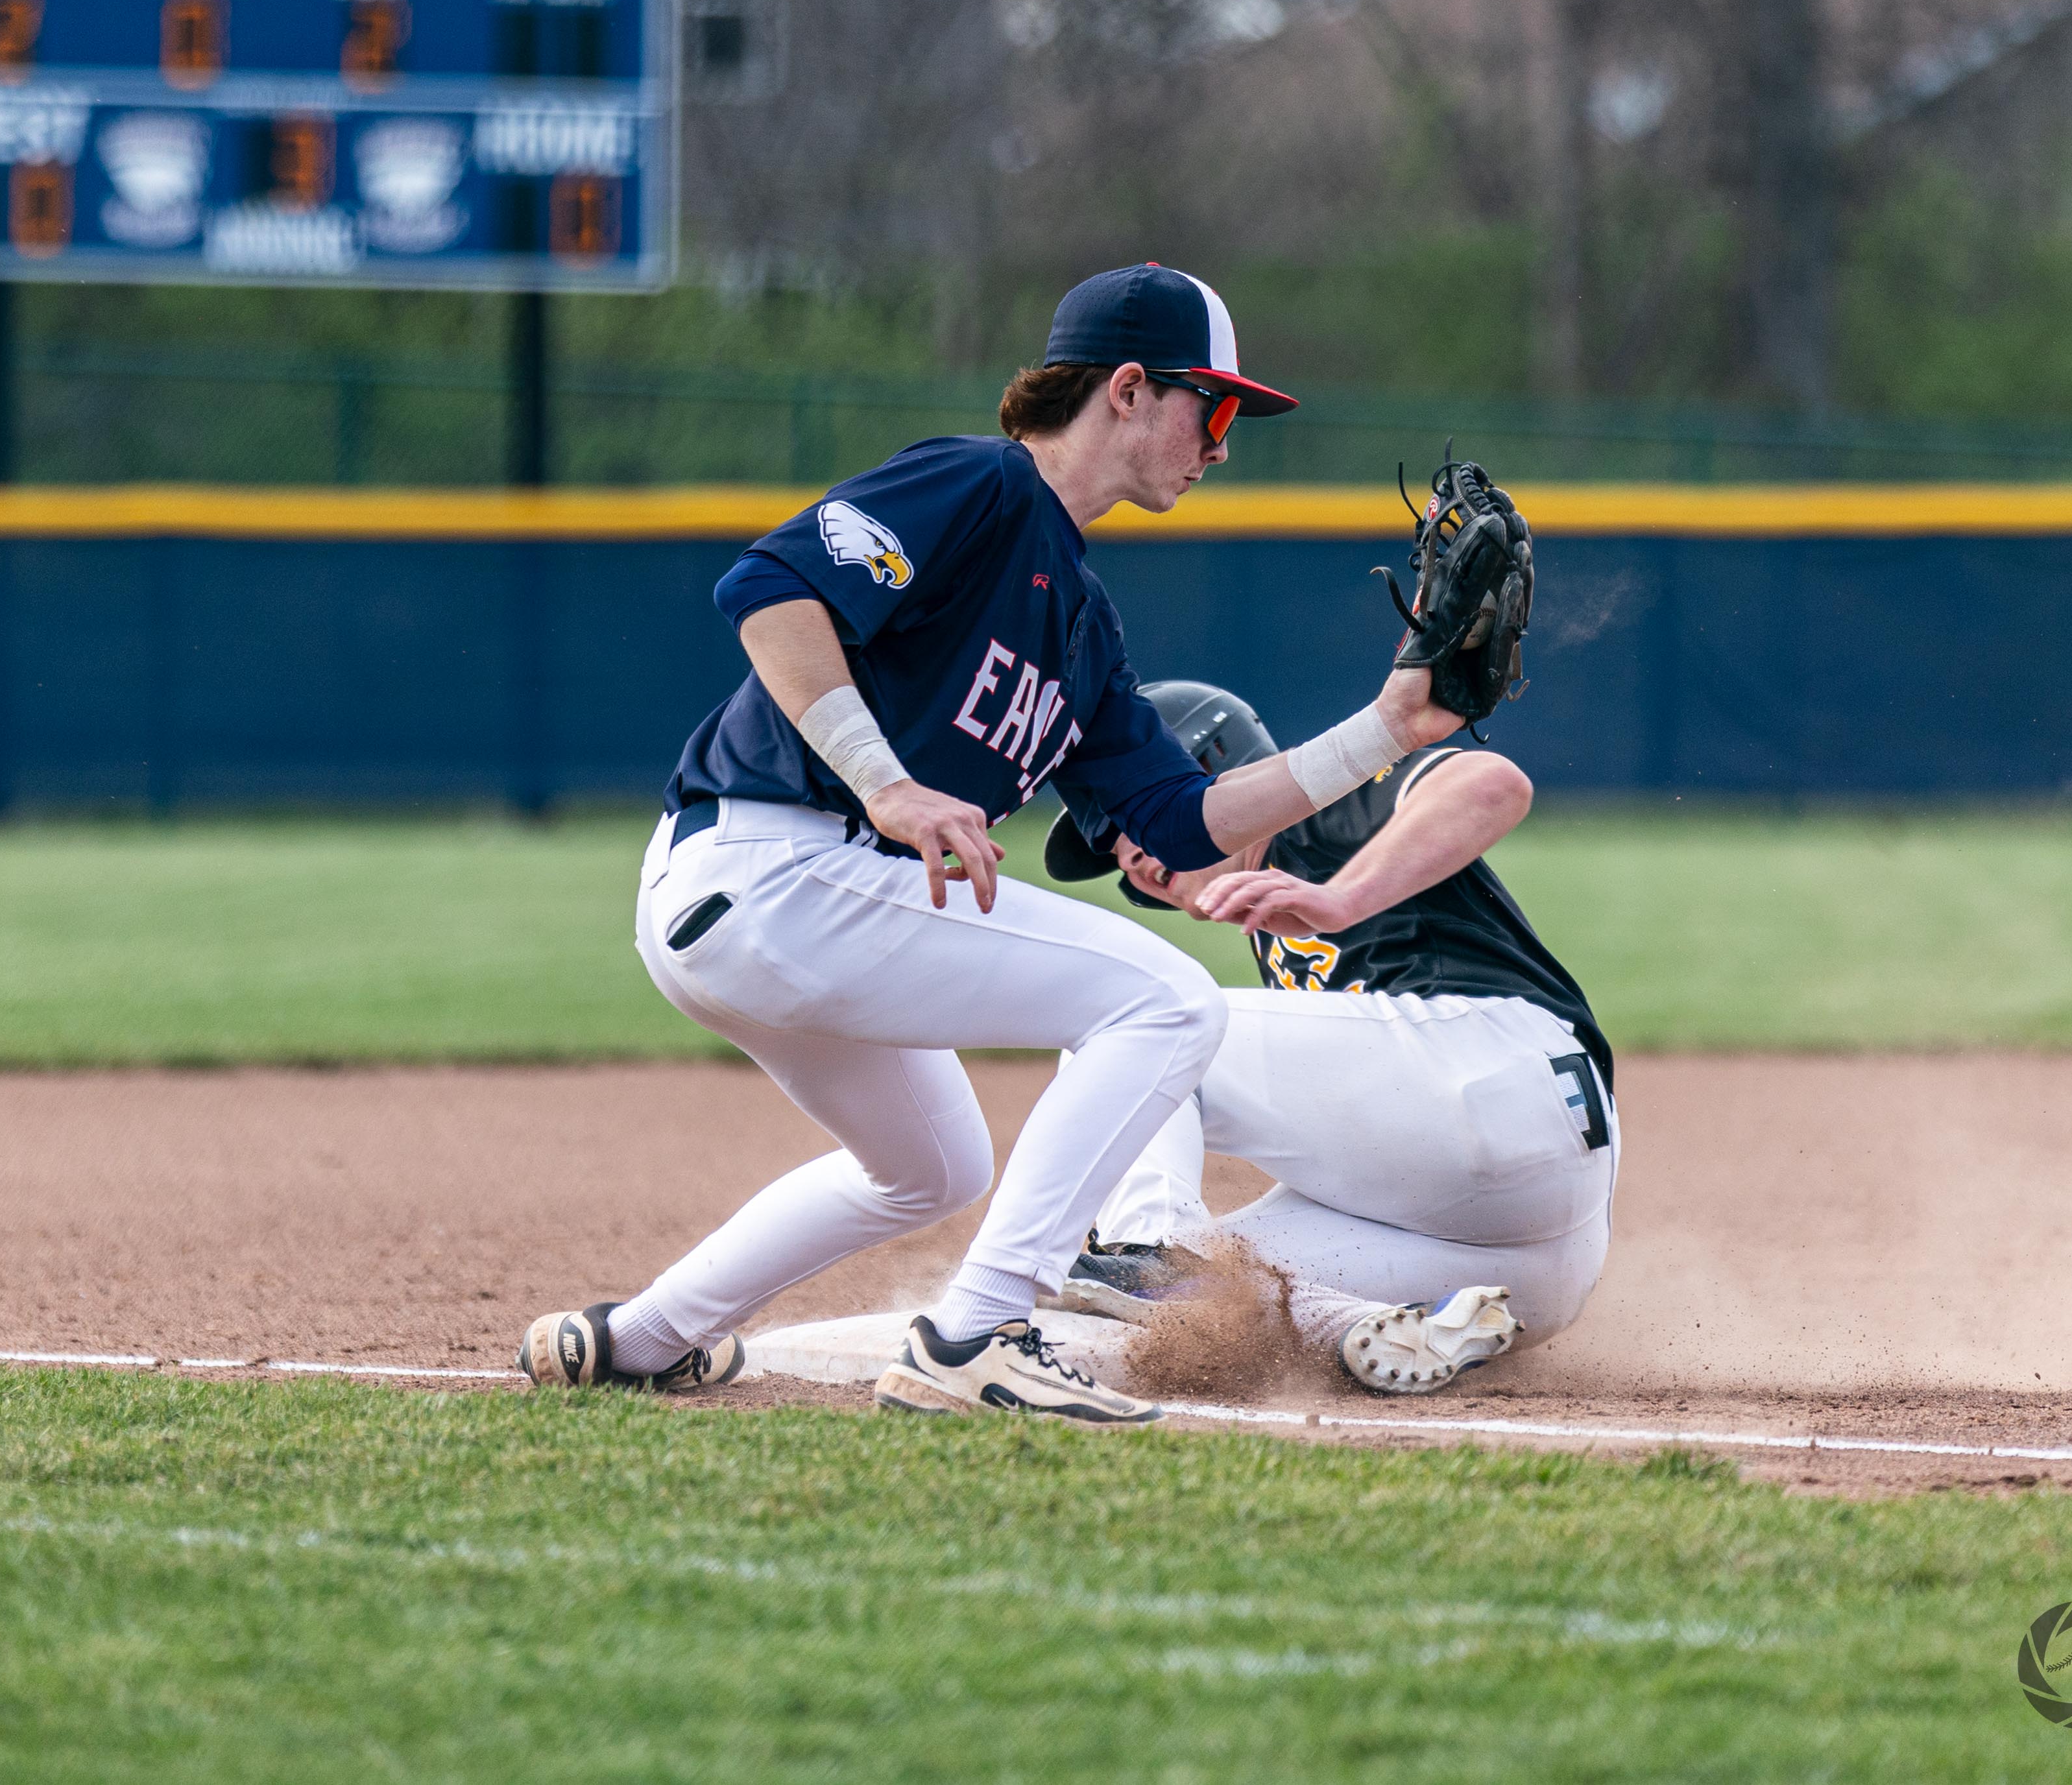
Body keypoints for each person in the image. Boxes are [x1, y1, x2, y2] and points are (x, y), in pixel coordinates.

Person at [518, 266, 1465, 1424]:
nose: (1222, 445)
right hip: (770, 865)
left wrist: (1389, 728)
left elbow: (1177, 819)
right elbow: (769, 589)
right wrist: (886, 783)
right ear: (1128, 388)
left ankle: (638, 1338)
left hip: (786, 900)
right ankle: (976, 1337)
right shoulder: (981, 484)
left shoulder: (1082, 623)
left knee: (934, 1167)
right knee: (1166, 1002)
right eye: (1212, 407)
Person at [1038, 681, 1615, 1396]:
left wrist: (1342, 898)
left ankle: (1150, 1247)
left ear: (1216, 769)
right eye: (1111, 847)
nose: (1125, 853)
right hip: (1531, 1263)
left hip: (1501, 1077)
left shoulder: (1315, 816)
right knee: (1207, 1303)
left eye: (1131, 813)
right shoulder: (1274, 912)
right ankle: (1368, 1327)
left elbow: (1492, 784)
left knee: (1125, 1018)